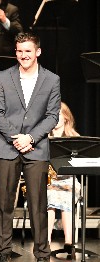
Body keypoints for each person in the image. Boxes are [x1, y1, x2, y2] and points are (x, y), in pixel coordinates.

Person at [0, 32, 61, 262]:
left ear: (38, 52)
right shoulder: (2, 77)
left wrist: (30, 137)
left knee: (39, 204)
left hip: (36, 147)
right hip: (7, 147)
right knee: (4, 203)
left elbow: (52, 116)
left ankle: (42, 253)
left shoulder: (52, 80)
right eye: (20, 51)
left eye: (28, 51)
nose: (23, 55)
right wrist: (16, 138)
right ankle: (2, 252)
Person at [47, 102, 81, 252]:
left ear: (66, 118)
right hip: (49, 181)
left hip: (69, 179)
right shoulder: (44, 136)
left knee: (67, 195)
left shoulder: (74, 137)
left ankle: (69, 242)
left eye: (58, 114)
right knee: (49, 198)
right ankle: (45, 241)